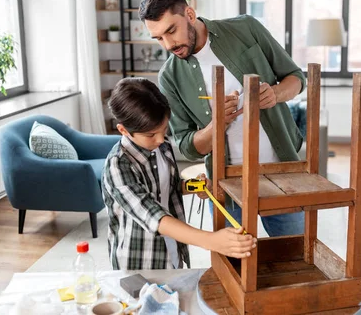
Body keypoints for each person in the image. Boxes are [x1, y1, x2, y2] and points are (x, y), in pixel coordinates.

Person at [139, 0, 306, 237]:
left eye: (171, 31)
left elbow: (296, 78)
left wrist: (275, 94)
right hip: (225, 186)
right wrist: (217, 124)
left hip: (281, 172)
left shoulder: (246, 28)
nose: (168, 44)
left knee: (294, 257)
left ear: (190, 15)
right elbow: (187, 147)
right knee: (234, 269)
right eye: (159, 38)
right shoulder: (169, 77)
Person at [102, 78, 256, 270]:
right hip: (141, 263)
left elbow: (168, 186)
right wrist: (211, 241)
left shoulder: (162, 147)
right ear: (123, 130)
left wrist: (193, 186)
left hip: (172, 252)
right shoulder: (118, 165)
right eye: (151, 135)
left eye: (164, 130)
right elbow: (153, 215)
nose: (160, 139)